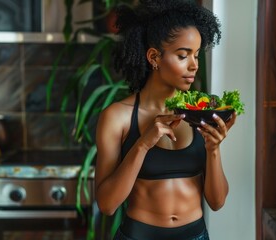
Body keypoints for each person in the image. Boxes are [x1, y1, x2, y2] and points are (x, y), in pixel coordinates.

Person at [94, 0, 237, 239]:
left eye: (197, 55)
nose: (194, 65)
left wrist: (213, 149)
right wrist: (143, 144)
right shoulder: (117, 117)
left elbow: (217, 201)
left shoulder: (200, 112)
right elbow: (107, 205)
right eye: (183, 55)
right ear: (154, 57)